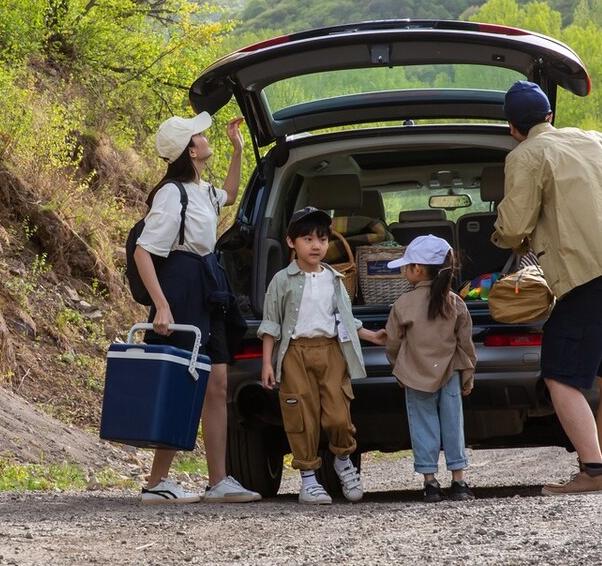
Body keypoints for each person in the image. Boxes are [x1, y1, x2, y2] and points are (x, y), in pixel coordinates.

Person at [491, 80, 602, 495]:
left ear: (513, 127)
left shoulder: (524, 155)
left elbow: (513, 227)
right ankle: (600, 472)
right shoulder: (591, 138)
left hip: (588, 273)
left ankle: (595, 473)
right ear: (550, 115)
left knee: (558, 375)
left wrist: (500, 238)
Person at [132, 111, 261, 505]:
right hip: (184, 285)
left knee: (217, 382)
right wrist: (162, 307)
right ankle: (157, 483)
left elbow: (231, 194)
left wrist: (239, 150)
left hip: (209, 282)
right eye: (200, 135)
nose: (206, 137)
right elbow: (143, 252)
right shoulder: (172, 193)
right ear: (190, 149)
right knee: (181, 380)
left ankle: (219, 480)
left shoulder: (201, 190)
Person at [258, 206, 387, 505]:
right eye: (307, 239)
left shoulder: (334, 279)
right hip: (295, 354)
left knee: (339, 416)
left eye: (322, 239)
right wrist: (267, 362)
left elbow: (343, 318)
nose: (316, 246)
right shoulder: (281, 280)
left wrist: (370, 335)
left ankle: (343, 460)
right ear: (291, 242)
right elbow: (271, 324)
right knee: (300, 415)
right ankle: (308, 479)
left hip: (330, 352)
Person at [383, 235, 477, 503]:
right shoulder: (455, 303)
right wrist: (467, 375)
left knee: (423, 426)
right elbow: (465, 344)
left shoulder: (403, 305)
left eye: (407, 265)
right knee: (453, 425)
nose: (405, 271)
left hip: (414, 376)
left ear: (417, 270)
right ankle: (459, 482)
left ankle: (430, 483)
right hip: (450, 375)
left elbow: (393, 342)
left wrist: (398, 369)